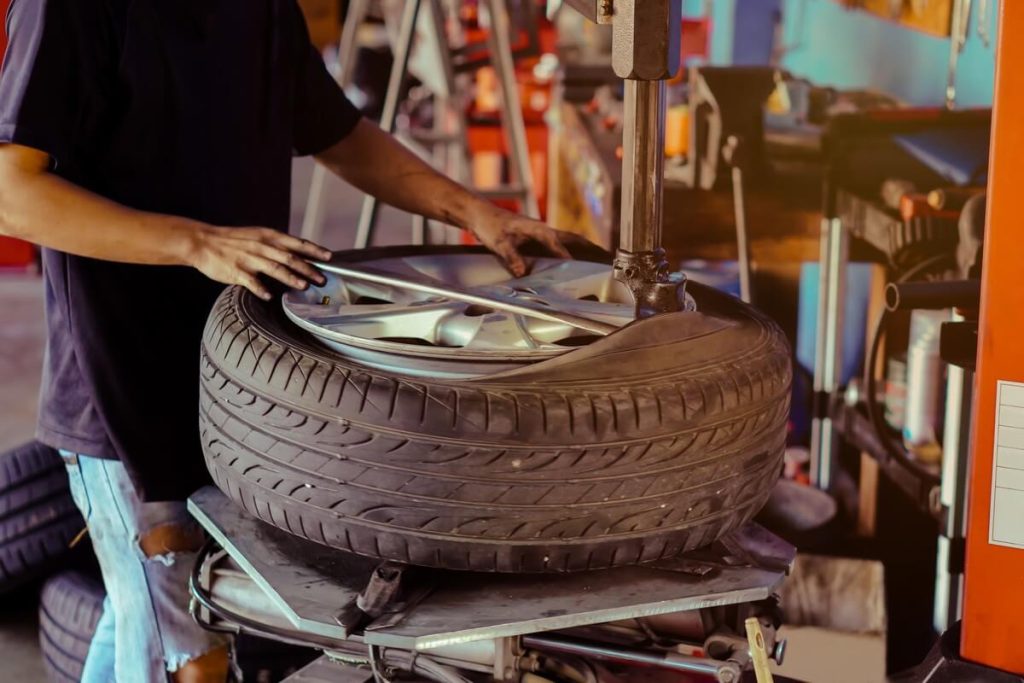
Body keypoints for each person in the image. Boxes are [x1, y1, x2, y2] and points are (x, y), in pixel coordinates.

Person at [0, 2, 580, 681]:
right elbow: (13, 192)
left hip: (243, 387)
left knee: (148, 619)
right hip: (121, 396)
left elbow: (339, 135)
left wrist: (474, 212)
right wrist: (196, 242)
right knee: (189, 651)